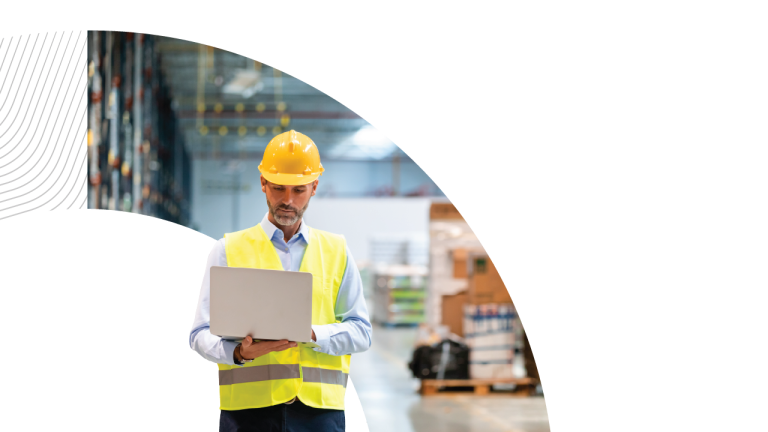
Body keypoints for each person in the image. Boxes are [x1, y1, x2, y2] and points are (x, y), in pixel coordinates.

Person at [189, 130, 372, 432]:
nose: (288, 200)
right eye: (278, 188)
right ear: (263, 183)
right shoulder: (227, 250)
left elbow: (362, 331)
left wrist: (313, 334)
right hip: (248, 414)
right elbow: (199, 334)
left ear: (314, 187)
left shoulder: (337, 251)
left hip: (319, 417)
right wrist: (239, 353)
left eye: (299, 190)